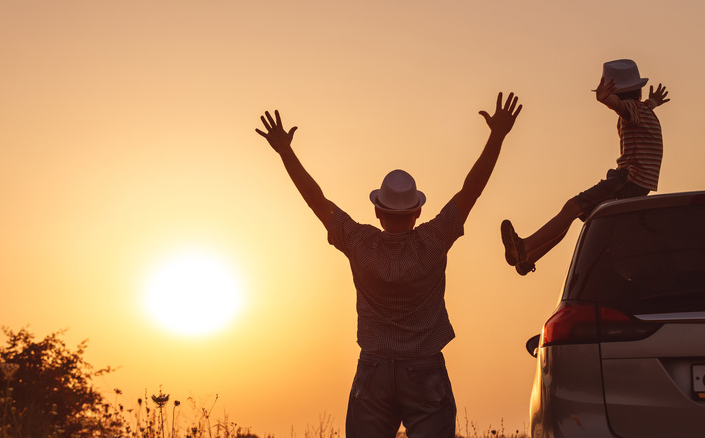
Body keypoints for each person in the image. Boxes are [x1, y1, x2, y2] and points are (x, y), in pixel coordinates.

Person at [255, 92, 522, 438]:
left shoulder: (358, 242)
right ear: (418, 212)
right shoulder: (434, 240)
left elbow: (315, 199)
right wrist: (497, 135)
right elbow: (471, 190)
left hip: (374, 370)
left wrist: (285, 151)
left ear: (378, 211)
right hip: (426, 371)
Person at [501, 59, 669, 276]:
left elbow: (620, 106)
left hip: (628, 178)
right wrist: (653, 101)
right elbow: (642, 106)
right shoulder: (645, 111)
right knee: (575, 214)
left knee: (572, 207)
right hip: (639, 184)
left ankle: (524, 247)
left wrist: (605, 99)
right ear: (639, 90)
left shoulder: (630, 109)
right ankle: (528, 260)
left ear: (618, 93)